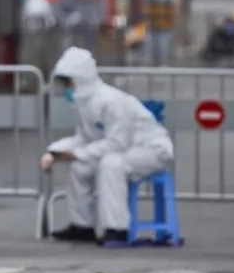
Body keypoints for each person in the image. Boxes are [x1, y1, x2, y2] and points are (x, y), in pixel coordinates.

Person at [41, 46, 174, 245]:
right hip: (125, 149)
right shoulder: (82, 103)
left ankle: (117, 229)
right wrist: (54, 152)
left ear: (81, 78)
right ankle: (83, 226)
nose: (66, 88)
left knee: (111, 164)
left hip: (151, 149)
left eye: (68, 82)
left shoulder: (111, 101)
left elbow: (117, 143)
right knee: (80, 168)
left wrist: (77, 153)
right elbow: (84, 138)